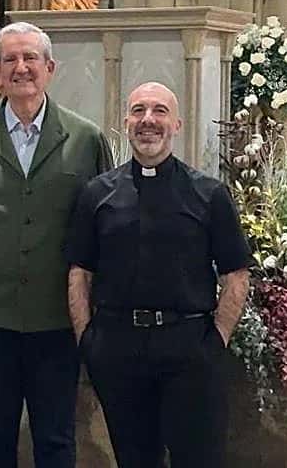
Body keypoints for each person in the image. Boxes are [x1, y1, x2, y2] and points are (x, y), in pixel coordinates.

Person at [0, 22, 112, 468]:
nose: (21, 68)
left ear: (50, 68)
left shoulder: (85, 139)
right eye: (10, 59)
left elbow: (100, 222)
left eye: (30, 58)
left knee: (55, 436)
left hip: (56, 312)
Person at [66, 82, 251, 468]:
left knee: (198, 460)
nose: (147, 120)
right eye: (138, 110)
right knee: (134, 459)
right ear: (126, 122)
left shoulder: (209, 194)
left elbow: (235, 274)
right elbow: (80, 271)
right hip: (117, 349)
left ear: (177, 124)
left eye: (159, 111)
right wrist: (88, 340)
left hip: (188, 348)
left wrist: (216, 340)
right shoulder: (97, 193)